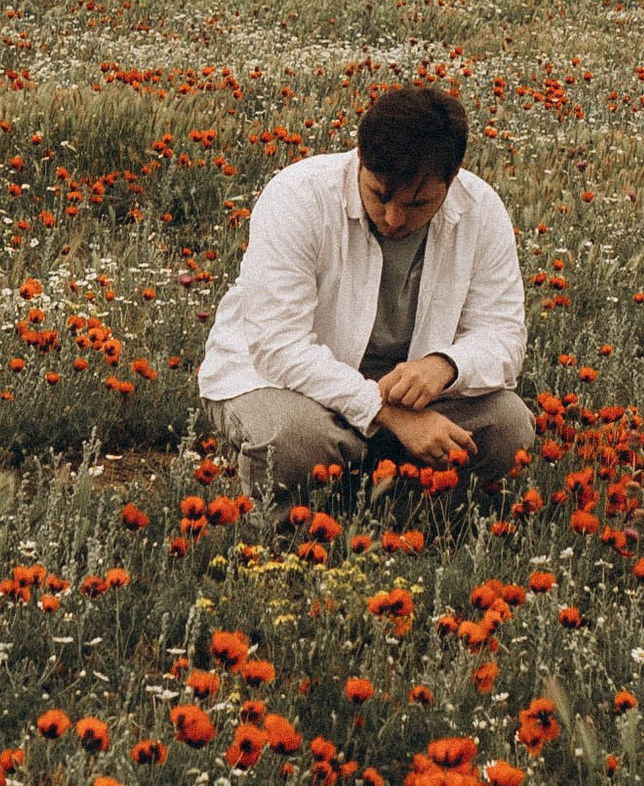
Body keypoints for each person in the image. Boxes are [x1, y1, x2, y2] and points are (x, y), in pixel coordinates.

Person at [198, 82, 534, 509]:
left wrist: (445, 366)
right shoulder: (298, 196)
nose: (394, 218)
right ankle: (286, 534)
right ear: (360, 157)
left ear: (452, 177)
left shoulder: (480, 210)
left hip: (412, 397)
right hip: (285, 385)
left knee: (507, 427)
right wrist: (386, 412)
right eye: (380, 195)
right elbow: (278, 348)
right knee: (296, 439)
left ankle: (399, 519)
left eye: (418, 203)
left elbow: (503, 335)